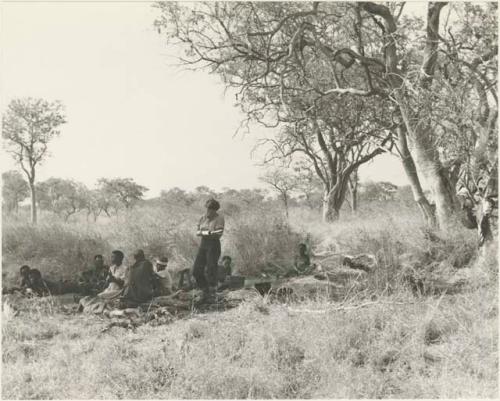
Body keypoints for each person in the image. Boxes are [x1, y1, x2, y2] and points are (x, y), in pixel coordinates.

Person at [193, 198, 225, 304]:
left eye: (211, 209)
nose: (208, 211)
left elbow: (218, 233)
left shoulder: (219, 218)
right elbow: (198, 231)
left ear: (215, 210)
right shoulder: (203, 217)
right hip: (203, 244)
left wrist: (206, 233)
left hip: (213, 245)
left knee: (211, 269)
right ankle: (204, 290)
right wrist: (207, 232)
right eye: (207, 208)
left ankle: (212, 292)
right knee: (196, 270)